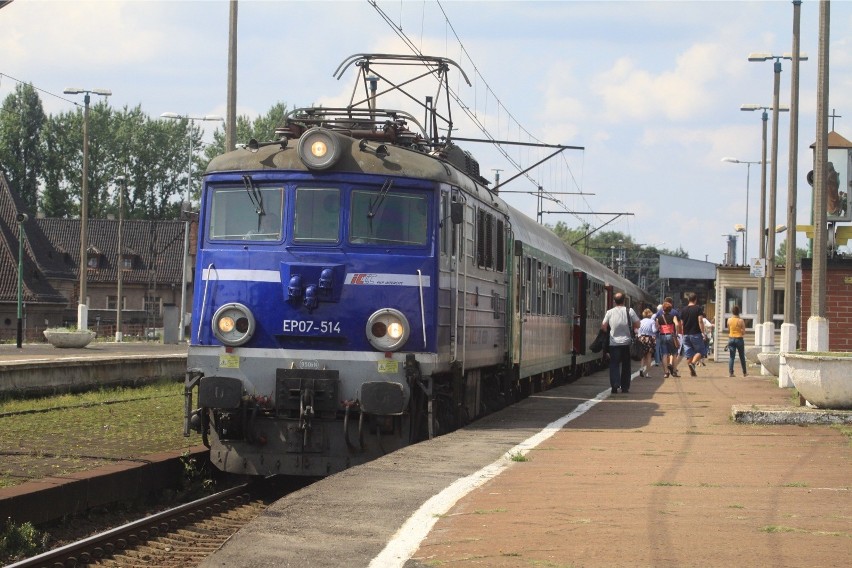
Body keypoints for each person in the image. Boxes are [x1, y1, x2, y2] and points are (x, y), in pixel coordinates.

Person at [601, 293, 640, 394]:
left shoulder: (609, 312)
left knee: (614, 364)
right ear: (624, 301)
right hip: (626, 343)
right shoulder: (629, 311)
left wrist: (611, 330)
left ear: (614, 301)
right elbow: (637, 324)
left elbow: (603, 327)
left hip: (614, 343)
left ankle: (614, 385)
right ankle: (625, 387)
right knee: (626, 365)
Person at [679, 292, 707, 376]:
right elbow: (700, 321)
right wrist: (703, 332)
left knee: (689, 355)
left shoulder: (683, 310)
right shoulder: (698, 309)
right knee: (701, 351)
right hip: (696, 334)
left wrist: (682, 333)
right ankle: (693, 363)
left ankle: (692, 372)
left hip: (686, 335)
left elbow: (681, 323)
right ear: (696, 300)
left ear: (688, 299)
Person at [655, 302, 680, 378]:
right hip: (671, 336)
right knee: (674, 354)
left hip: (662, 336)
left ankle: (666, 372)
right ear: (670, 309)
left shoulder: (658, 318)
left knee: (664, 355)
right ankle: (675, 371)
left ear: (663, 309)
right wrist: (676, 333)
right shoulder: (673, 316)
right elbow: (677, 324)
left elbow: (657, 327)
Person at [726, 305, 748, 377]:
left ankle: (731, 373)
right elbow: (744, 332)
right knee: (742, 356)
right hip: (739, 339)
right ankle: (744, 372)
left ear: (732, 312)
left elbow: (729, 330)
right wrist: (740, 330)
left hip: (731, 339)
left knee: (732, 357)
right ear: (739, 312)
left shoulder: (729, 320)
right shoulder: (741, 321)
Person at [637, 308, 657, 378]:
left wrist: (640, 337)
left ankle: (641, 368)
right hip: (649, 339)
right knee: (649, 356)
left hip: (642, 338)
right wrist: (657, 328)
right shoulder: (652, 321)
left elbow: (638, 331)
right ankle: (648, 373)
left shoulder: (641, 321)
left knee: (642, 355)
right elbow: (654, 331)